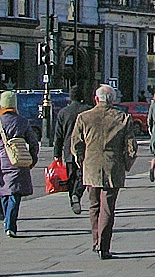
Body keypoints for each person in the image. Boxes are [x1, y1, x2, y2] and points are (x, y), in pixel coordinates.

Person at [72, 84, 138, 259]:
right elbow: (131, 148)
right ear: (113, 100)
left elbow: (76, 145)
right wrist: (126, 164)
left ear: (96, 99)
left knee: (94, 206)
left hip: (91, 166)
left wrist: (81, 161)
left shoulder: (84, 117)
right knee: (108, 208)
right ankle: (104, 246)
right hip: (113, 167)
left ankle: (96, 241)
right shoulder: (122, 118)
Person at [0, 90, 38, 237]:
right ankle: (9, 223)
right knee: (14, 195)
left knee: (5, 194)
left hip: (2, 166)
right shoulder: (23, 121)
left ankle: (8, 223)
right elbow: (33, 142)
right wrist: (32, 158)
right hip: (19, 162)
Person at [53, 83, 92, 214]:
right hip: (85, 148)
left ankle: (73, 199)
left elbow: (58, 135)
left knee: (71, 176)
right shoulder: (88, 110)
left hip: (68, 148)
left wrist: (56, 153)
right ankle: (77, 193)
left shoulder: (63, 113)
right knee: (83, 175)